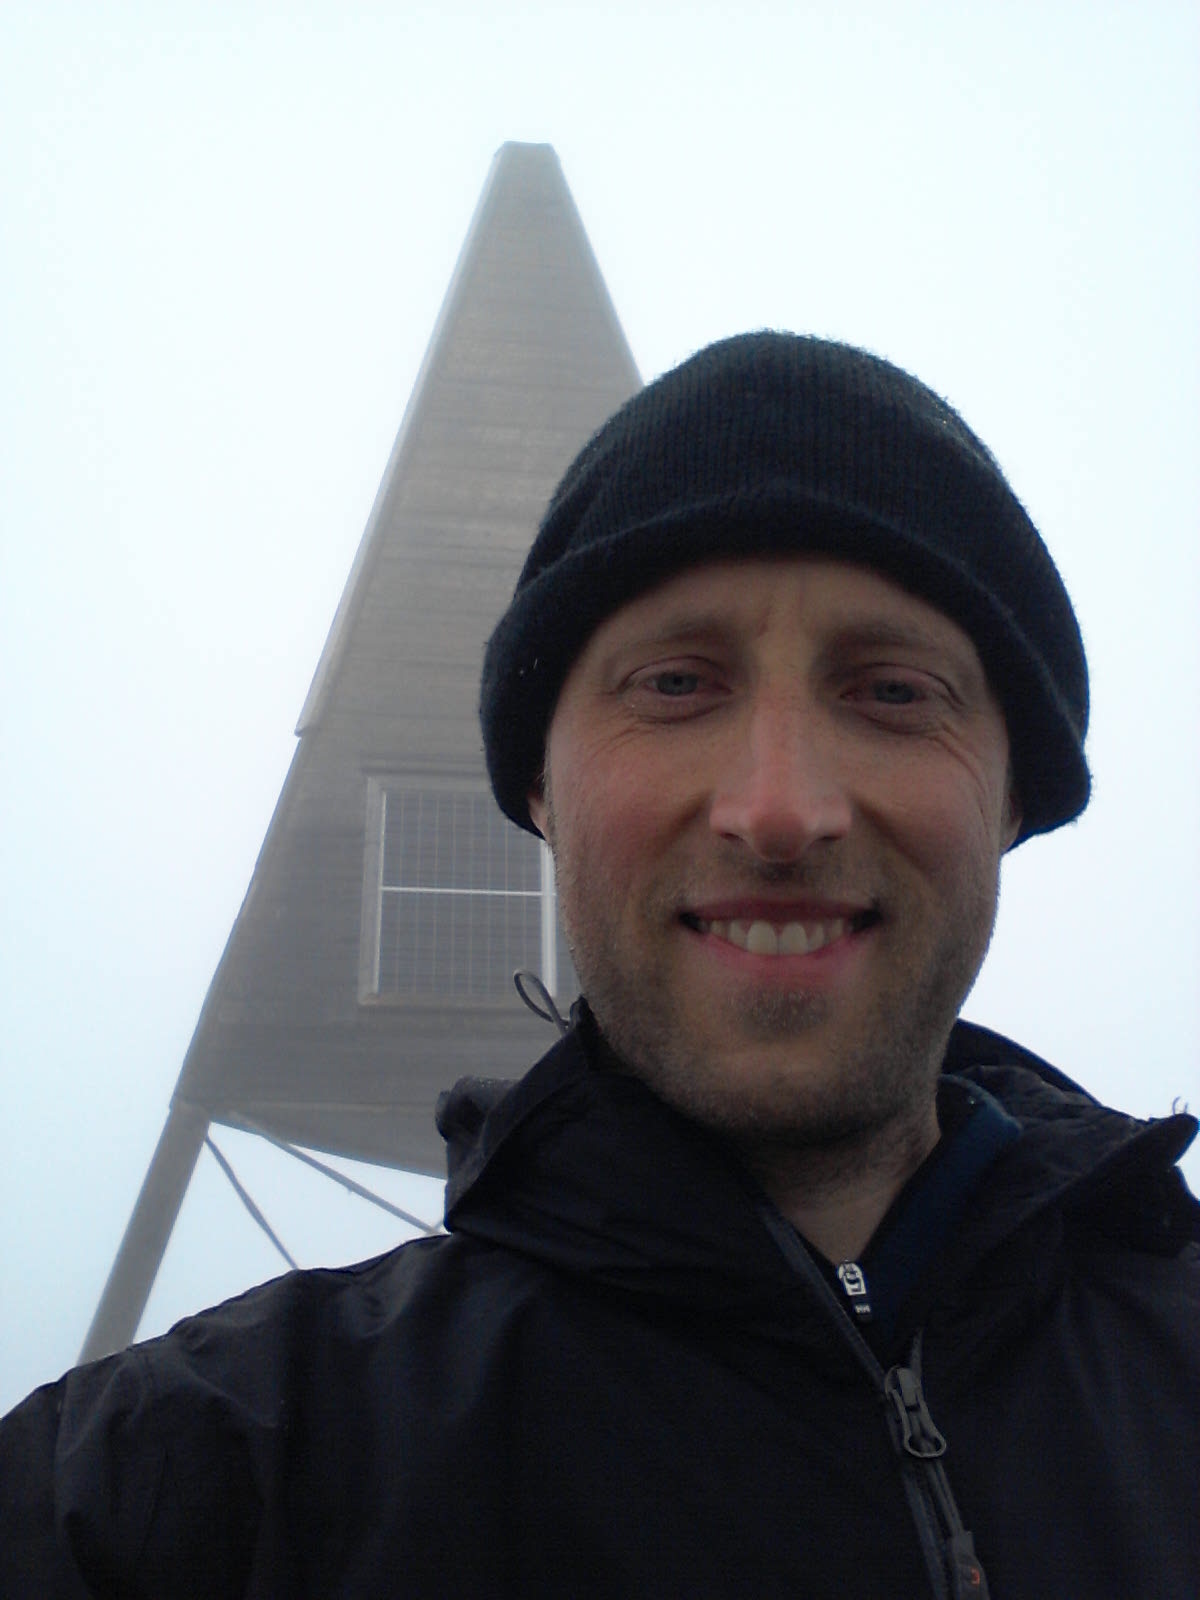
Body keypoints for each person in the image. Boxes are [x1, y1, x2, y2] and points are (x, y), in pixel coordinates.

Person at [2, 333, 1196, 1598]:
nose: (778, 810)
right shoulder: (185, 1487)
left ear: (1015, 794)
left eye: (893, 691)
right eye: (676, 682)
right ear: (539, 788)